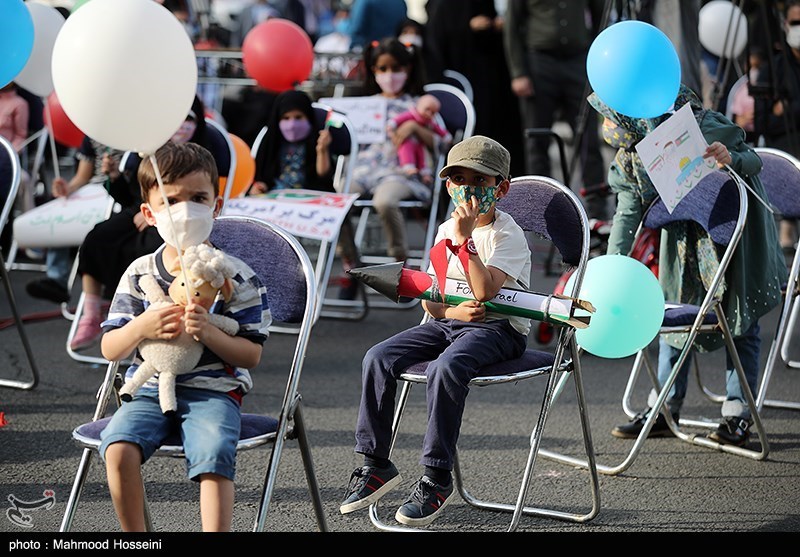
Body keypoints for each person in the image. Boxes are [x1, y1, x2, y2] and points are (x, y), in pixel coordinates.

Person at [339, 135, 531, 527]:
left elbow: (485, 290)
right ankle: (375, 463)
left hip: (500, 330)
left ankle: (436, 477)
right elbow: (431, 298)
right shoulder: (446, 229)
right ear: (448, 186)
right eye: (459, 180)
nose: (468, 190)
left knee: (446, 368)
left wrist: (465, 242)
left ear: (502, 188)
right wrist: (453, 311)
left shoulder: (507, 234)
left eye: (480, 181)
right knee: (378, 357)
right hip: (451, 322)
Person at [589, 84, 787, 447]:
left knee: (739, 323)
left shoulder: (702, 129)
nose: (607, 123)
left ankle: (737, 413)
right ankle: (665, 408)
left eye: (611, 113)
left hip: (738, 243)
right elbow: (628, 210)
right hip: (683, 243)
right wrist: (613, 265)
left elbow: (753, 160)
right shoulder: (632, 155)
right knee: (674, 316)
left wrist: (731, 158)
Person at [98, 141, 270, 532]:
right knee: (118, 447)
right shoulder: (141, 273)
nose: (185, 210)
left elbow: (250, 356)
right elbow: (111, 347)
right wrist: (142, 326)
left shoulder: (235, 276)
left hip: (215, 389)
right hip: (149, 389)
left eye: (198, 198)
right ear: (149, 213)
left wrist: (208, 330)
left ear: (217, 205)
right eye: (172, 200)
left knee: (212, 454)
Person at [68, 96, 233, 351]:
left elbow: (206, 196)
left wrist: (168, 209)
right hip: (144, 210)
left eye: (188, 119)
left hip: (181, 219)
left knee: (149, 246)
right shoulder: (148, 149)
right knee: (98, 237)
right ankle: (92, 311)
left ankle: (140, 307)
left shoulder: (205, 152)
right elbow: (128, 194)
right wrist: (114, 178)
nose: (181, 125)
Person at [249, 89, 362, 299]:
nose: (292, 124)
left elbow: (323, 174)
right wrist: (258, 186)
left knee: (341, 219)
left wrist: (322, 150)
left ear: (308, 118)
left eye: (298, 118)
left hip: (312, 196)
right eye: (286, 118)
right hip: (278, 198)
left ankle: (350, 266)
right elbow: (260, 174)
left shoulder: (314, 139)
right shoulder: (272, 140)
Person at [503, 0, 610, 220]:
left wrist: (599, 61)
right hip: (539, 62)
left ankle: (597, 211)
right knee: (537, 141)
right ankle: (540, 211)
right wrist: (518, 72)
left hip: (578, 60)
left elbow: (602, 17)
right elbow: (512, 25)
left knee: (588, 140)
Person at [348, 37, 442, 264]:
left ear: (408, 69)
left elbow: (441, 142)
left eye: (396, 68)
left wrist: (414, 128)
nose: (389, 75)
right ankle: (349, 259)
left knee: (385, 201)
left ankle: (399, 261)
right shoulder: (364, 106)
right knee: (336, 200)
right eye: (383, 69)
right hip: (364, 169)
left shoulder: (420, 105)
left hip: (401, 171)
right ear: (374, 70)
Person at [425, 0, 525, 176]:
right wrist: (466, 26)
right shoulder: (442, 5)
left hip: (496, 82)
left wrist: (497, 25)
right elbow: (438, 36)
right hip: (464, 79)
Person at [757, 0, 800, 254]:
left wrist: (788, 107)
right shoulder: (772, 70)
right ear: (785, 26)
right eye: (796, 23)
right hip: (786, 153)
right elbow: (763, 123)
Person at [387, 93, 452, 184]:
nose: (429, 113)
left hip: (421, 144)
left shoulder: (429, 121)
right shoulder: (411, 114)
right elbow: (398, 119)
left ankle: (426, 174)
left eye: (433, 112)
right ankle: (409, 169)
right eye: (427, 109)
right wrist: (391, 125)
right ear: (418, 106)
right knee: (406, 152)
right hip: (407, 142)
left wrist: (446, 136)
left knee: (424, 158)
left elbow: (437, 129)